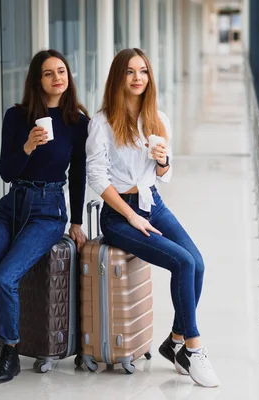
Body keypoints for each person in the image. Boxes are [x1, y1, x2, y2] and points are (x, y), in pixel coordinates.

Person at [0, 49, 89, 392]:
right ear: (37, 80)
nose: (57, 78)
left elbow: (79, 175)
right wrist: (26, 148)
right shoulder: (17, 117)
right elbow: (6, 173)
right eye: (49, 73)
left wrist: (77, 221)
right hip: (13, 204)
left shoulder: (77, 123)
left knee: (5, 278)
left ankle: (9, 350)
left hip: (49, 211)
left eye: (62, 71)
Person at [85, 48, 220, 388]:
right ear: (119, 77)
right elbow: (97, 179)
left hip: (152, 203)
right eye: (130, 72)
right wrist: (130, 216)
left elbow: (162, 175)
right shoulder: (101, 123)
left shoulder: (158, 119)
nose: (137, 78)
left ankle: (173, 341)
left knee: (197, 263)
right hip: (119, 214)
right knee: (182, 263)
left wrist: (162, 161)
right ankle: (193, 346)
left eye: (143, 71)